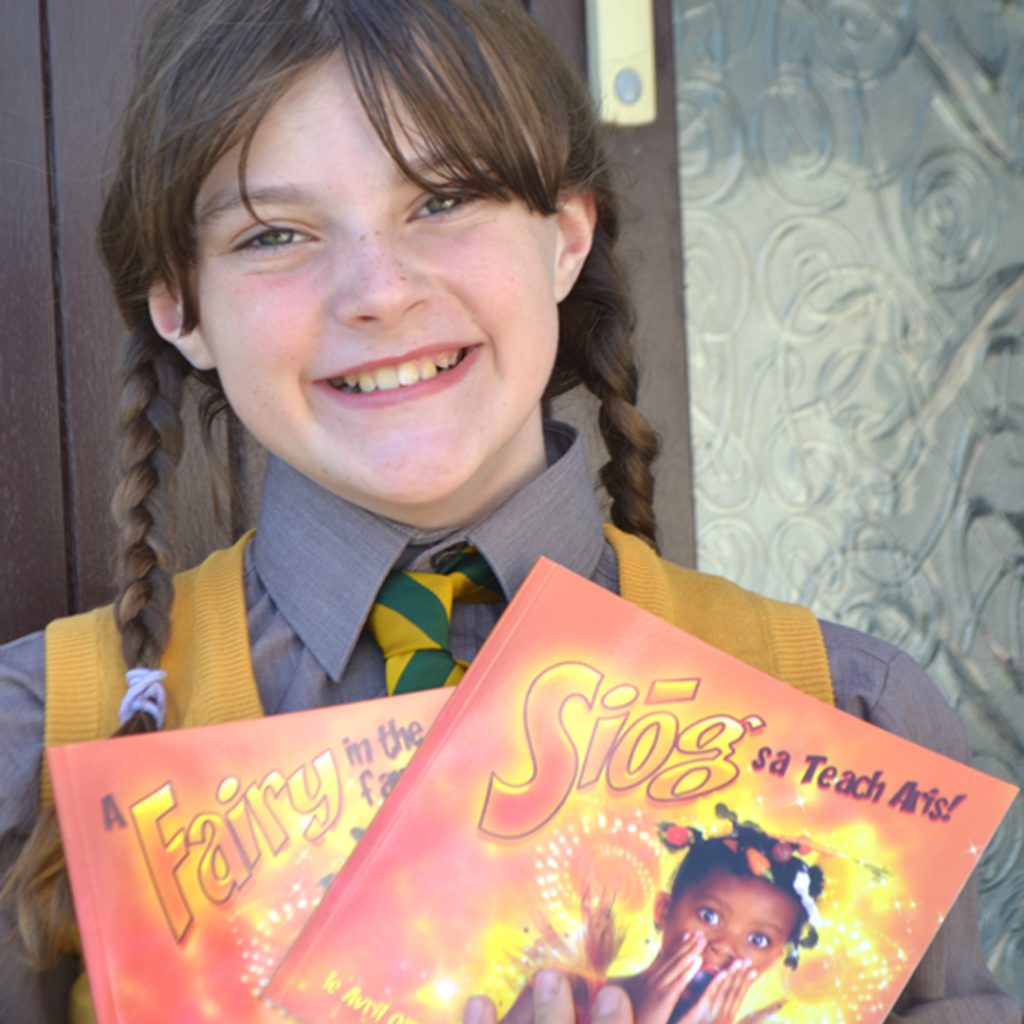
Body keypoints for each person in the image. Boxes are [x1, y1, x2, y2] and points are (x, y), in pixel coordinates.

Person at [0, 1, 1016, 1022]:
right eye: (274, 233)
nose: (378, 291)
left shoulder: (851, 721)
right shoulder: (39, 741)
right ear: (179, 304)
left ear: (566, 237)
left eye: (442, 201)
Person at [498, 810, 824, 1024]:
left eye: (758, 939)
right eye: (709, 916)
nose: (724, 946)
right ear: (664, 910)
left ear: (774, 958)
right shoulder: (568, 995)